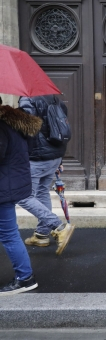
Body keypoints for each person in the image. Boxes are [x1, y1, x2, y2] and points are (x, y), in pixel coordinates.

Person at [18, 95, 74, 256]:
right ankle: (42, 234)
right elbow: (60, 126)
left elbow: (26, 131)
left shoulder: (27, 100)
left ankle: (58, 226)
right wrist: (60, 158)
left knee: (23, 195)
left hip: (37, 157)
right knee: (42, 192)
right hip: (54, 156)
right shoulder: (54, 98)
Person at [0, 97, 42, 294]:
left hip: (3, 186)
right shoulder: (17, 122)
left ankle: (25, 277)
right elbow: (29, 150)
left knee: (9, 234)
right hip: (13, 182)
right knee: (9, 232)